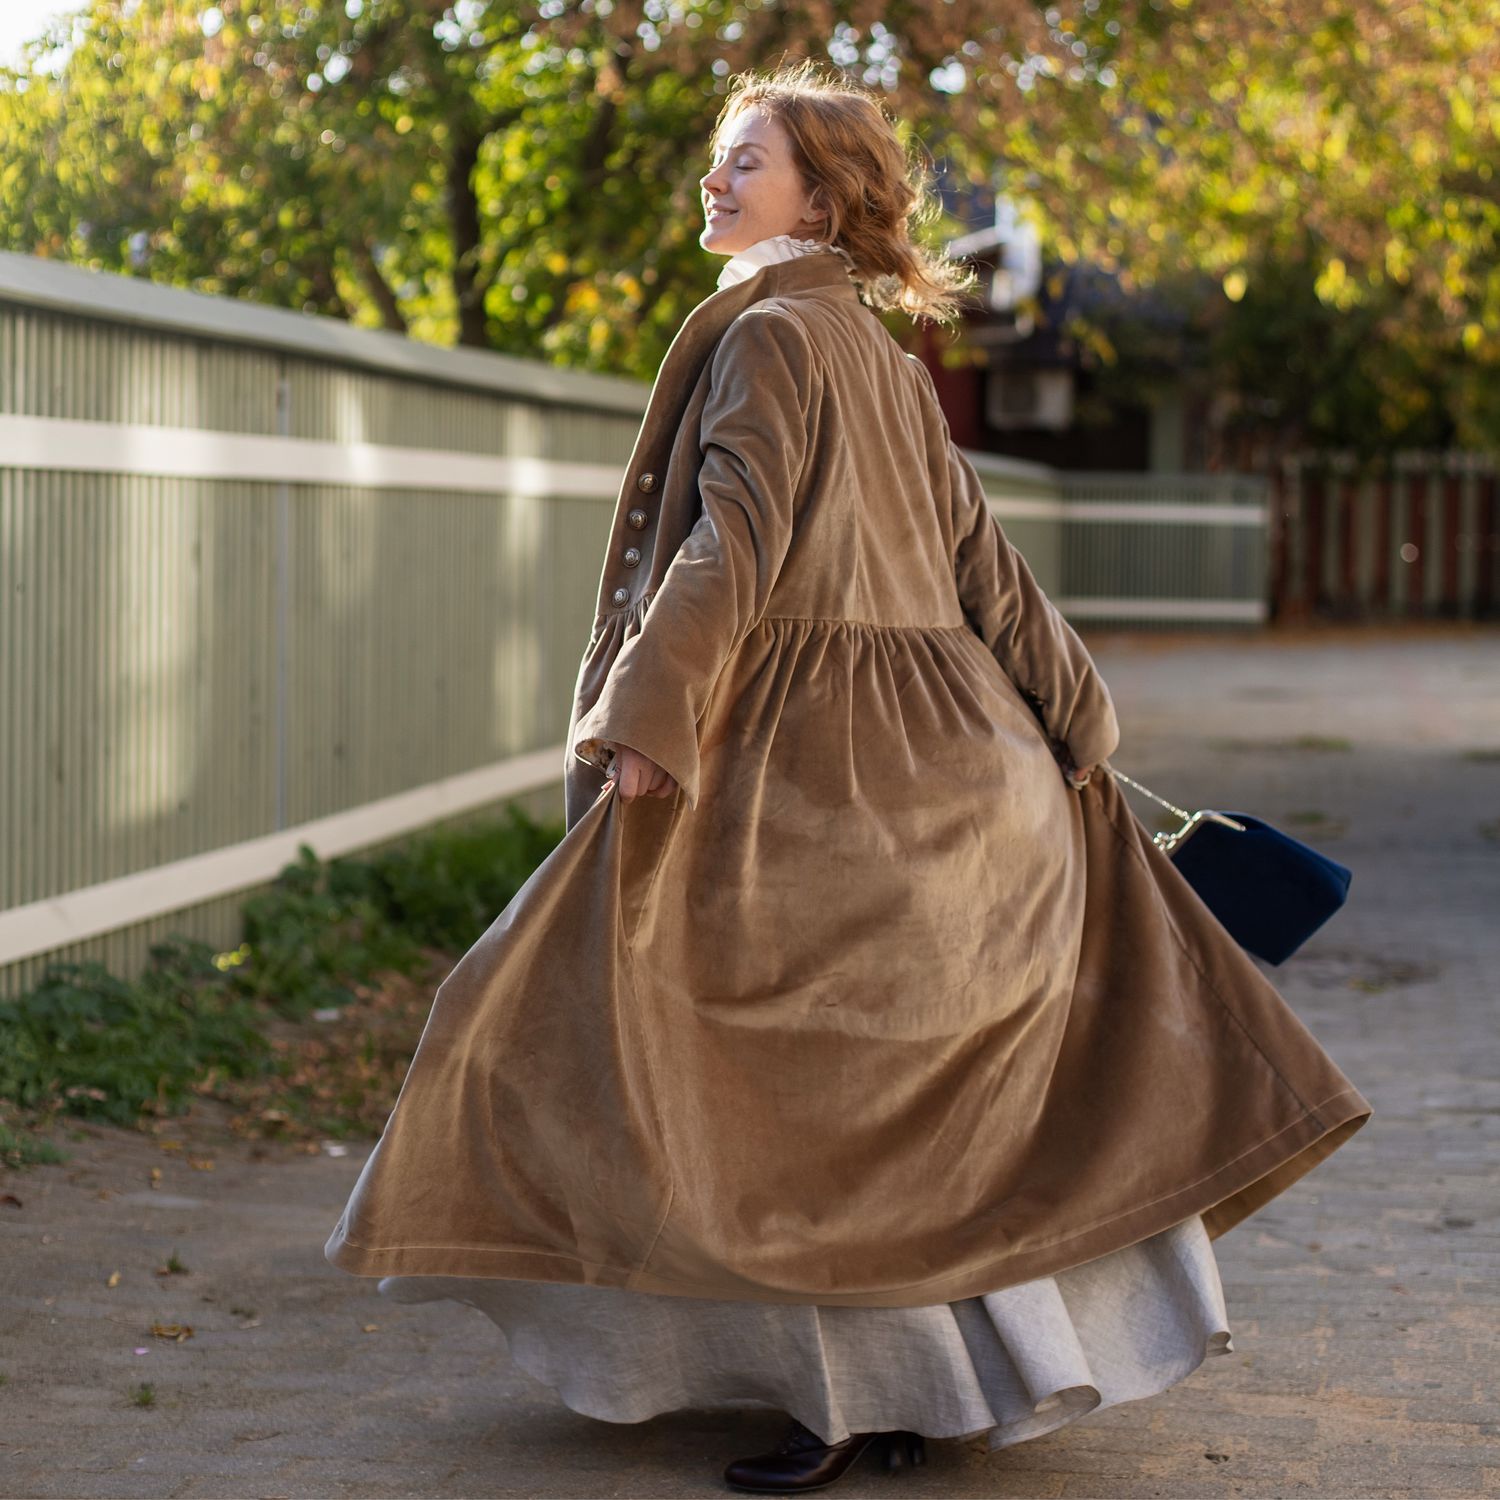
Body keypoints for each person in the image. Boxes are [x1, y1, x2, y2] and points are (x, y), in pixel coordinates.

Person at [326, 63, 1371, 1494]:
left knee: (755, 1091)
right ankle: (913, 1392)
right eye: (720, 156)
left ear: (820, 201)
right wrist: (1077, 721)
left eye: (744, 160)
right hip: (966, 767)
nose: (714, 178)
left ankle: (847, 1401)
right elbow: (983, 560)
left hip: (816, 779)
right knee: (901, 1110)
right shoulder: (879, 354)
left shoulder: (772, 337)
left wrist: (647, 715)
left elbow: (735, 538)